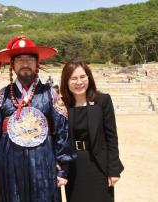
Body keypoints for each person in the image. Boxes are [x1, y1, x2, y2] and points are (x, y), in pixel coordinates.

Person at [0, 35, 76, 202]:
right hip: (10, 163)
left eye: (30, 60)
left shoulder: (51, 95)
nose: (25, 64)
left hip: (44, 161)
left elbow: (63, 130)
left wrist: (63, 168)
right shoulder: (1, 97)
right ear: (12, 65)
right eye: (19, 59)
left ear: (37, 63)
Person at [60, 59, 124, 202]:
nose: (79, 82)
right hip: (74, 166)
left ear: (89, 77)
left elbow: (111, 137)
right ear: (66, 81)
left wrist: (113, 169)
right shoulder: (62, 104)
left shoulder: (103, 100)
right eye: (73, 78)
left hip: (98, 164)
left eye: (83, 77)